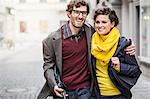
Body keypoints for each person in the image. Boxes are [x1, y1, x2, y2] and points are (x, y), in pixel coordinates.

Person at [37, 0, 136, 99]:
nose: (80, 16)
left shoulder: (90, 32)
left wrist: (128, 44)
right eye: (76, 12)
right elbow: (48, 66)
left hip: (86, 91)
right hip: (63, 91)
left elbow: (108, 34)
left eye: (84, 13)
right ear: (69, 13)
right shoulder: (52, 39)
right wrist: (54, 85)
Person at [91, 7, 142, 99]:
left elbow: (135, 70)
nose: (100, 25)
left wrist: (120, 66)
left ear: (112, 24)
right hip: (97, 95)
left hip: (118, 95)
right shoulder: (91, 42)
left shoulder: (122, 43)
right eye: (97, 22)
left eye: (104, 22)